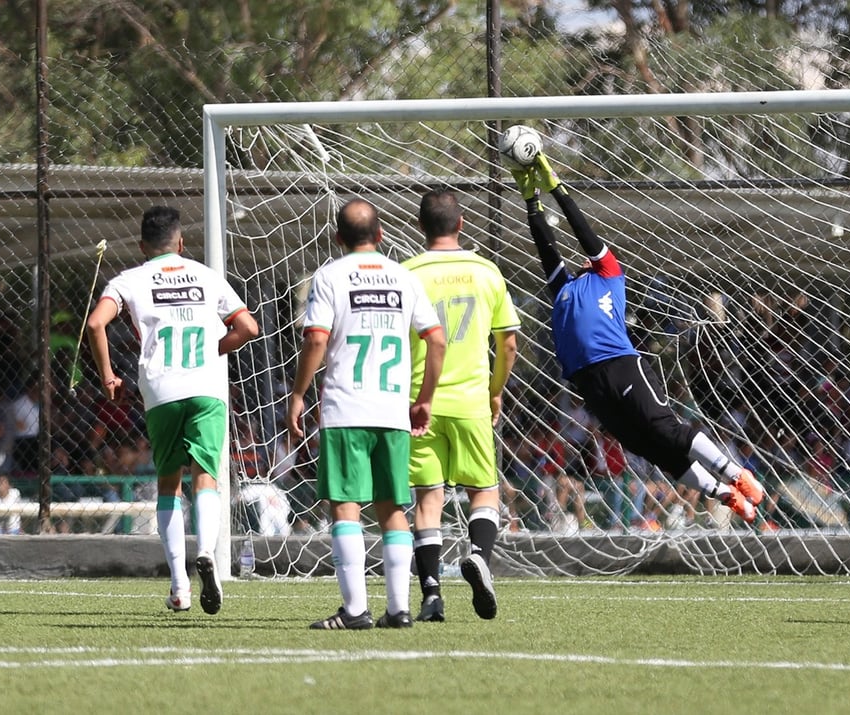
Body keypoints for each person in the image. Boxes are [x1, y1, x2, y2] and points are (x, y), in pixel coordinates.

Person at [506, 153, 765, 523]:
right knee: (644, 446)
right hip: (587, 381)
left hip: (620, 364)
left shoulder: (608, 274)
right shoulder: (563, 287)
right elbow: (545, 245)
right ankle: (724, 494)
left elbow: (584, 234)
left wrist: (555, 187)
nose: (582, 258)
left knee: (664, 427)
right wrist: (530, 201)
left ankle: (736, 473)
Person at [86, 205, 259, 614]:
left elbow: (96, 325)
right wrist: (217, 349)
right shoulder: (206, 276)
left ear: (143, 246)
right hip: (206, 388)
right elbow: (248, 328)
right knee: (206, 478)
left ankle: (180, 586)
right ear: (181, 243)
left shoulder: (128, 279)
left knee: (168, 483)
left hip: (161, 390)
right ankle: (209, 554)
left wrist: (109, 376)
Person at [286, 197, 445, 630]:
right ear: (380, 235)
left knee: (345, 506)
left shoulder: (330, 275)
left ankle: (355, 610)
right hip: (392, 409)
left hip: (345, 407)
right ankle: (399, 609)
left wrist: (299, 393)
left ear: (338, 238)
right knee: (394, 508)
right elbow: (436, 339)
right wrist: (424, 397)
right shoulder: (403, 276)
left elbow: (316, 339)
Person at [401, 188, 520, 622]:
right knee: (483, 490)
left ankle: (431, 594)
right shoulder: (485, 271)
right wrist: (495, 389)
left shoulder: (407, 273)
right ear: (462, 224)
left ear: (420, 226)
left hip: (420, 402)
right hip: (471, 400)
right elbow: (508, 344)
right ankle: (478, 557)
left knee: (427, 500)